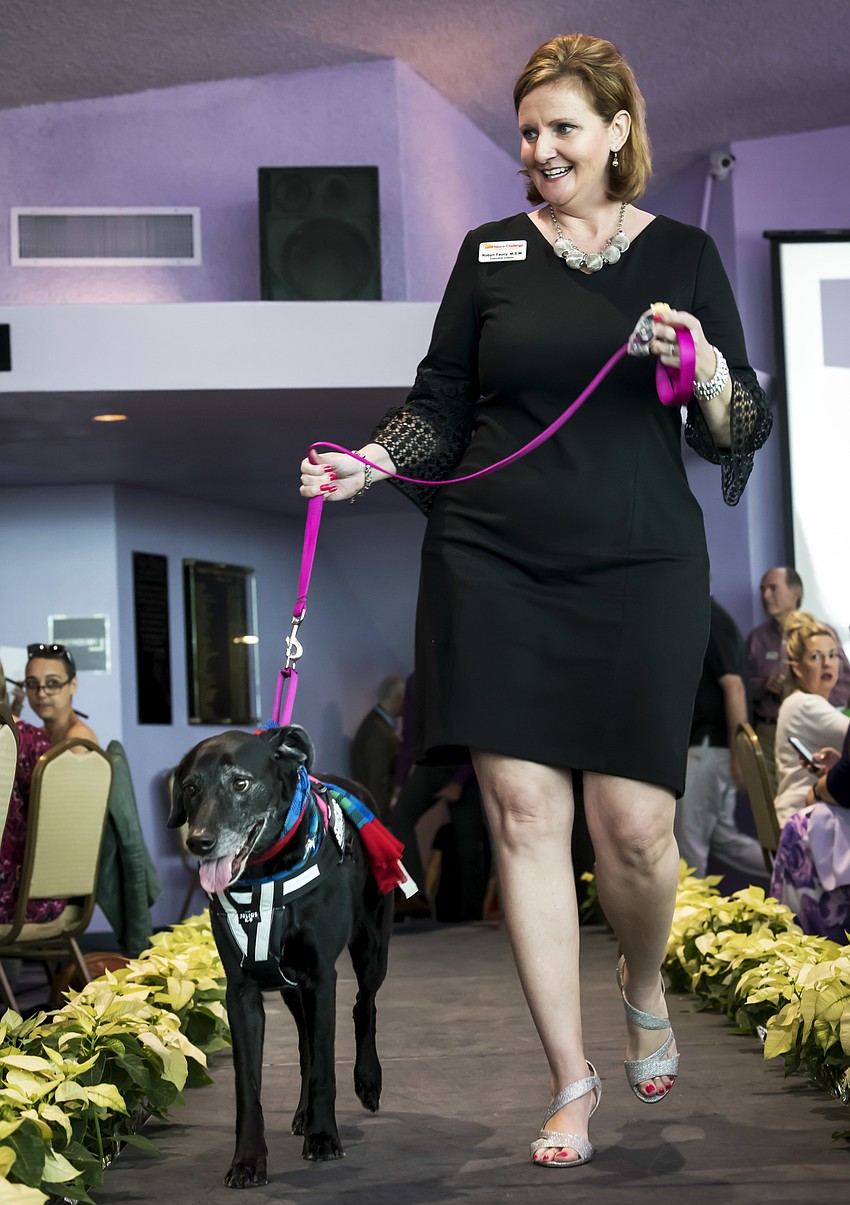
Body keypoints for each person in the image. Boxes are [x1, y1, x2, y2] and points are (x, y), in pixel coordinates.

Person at [300, 33, 772, 1168]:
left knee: (638, 826)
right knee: (522, 817)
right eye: (527, 130)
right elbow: (439, 402)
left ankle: (643, 978)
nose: (541, 148)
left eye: (563, 127)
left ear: (618, 132)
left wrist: (704, 366)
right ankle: (570, 1077)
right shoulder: (490, 252)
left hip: (637, 562)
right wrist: (369, 460)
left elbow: (740, 423)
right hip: (494, 559)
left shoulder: (687, 254)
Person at [674, 598, 766, 882]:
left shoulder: (712, 618)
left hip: (710, 748)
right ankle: (799, 871)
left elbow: (735, 687)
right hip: (714, 749)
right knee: (725, 840)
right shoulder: (711, 617)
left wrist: (739, 757)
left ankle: (690, 921)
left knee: (688, 843)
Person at [746, 567, 850, 793]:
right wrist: (765, 684)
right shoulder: (758, 638)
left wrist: (825, 704)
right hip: (769, 727)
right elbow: (744, 687)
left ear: (796, 592)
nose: (765, 595)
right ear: (797, 668)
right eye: (763, 589)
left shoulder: (823, 634)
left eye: (773, 588)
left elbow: (845, 683)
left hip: (824, 722)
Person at [773, 612, 849, 828]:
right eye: (816, 657)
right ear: (797, 667)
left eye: (833, 655)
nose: (827, 664)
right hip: (803, 823)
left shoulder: (798, 702)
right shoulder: (806, 705)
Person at [349, 674, 406, 818]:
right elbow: (377, 782)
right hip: (377, 814)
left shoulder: (375, 725)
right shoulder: (379, 733)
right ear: (399, 698)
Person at [22, 643, 98, 746]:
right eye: (32, 683)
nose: (41, 693)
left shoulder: (78, 739)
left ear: (73, 685)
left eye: (53, 683)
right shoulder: (40, 736)